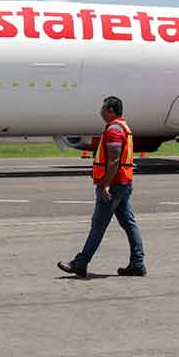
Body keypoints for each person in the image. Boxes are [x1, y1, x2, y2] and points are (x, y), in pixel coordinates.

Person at [59, 96, 146, 277]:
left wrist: (106, 185)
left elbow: (114, 159)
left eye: (103, 108)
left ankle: (81, 263)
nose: (101, 111)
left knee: (98, 224)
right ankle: (137, 263)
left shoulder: (114, 130)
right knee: (129, 223)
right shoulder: (123, 127)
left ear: (111, 110)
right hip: (123, 182)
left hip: (114, 184)